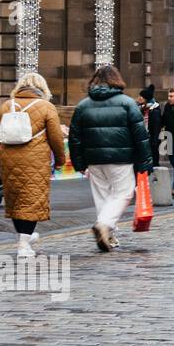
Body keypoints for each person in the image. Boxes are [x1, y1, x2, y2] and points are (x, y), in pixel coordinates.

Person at [68, 65, 153, 253]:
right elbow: (140, 136)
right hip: (121, 158)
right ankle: (104, 225)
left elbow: (75, 138)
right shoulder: (127, 103)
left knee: (103, 197)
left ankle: (109, 234)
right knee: (124, 192)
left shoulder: (83, 105)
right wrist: (145, 162)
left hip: (94, 159)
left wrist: (79, 163)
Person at [0, 72, 66, 258]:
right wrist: (60, 160)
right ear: (42, 88)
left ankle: (25, 237)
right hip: (35, 160)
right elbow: (56, 138)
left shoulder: (7, 105)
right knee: (32, 199)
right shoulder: (46, 107)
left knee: (16, 199)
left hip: (9, 158)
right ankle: (24, 245)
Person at [138, 85, 163, 168]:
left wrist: (154, 141)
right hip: (142, 138)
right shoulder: (141, 108)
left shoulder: (154, 110)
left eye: (141, 96)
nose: (139, 98)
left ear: (146, 98)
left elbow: (156, 128)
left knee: (153, 163)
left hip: (151, 140)